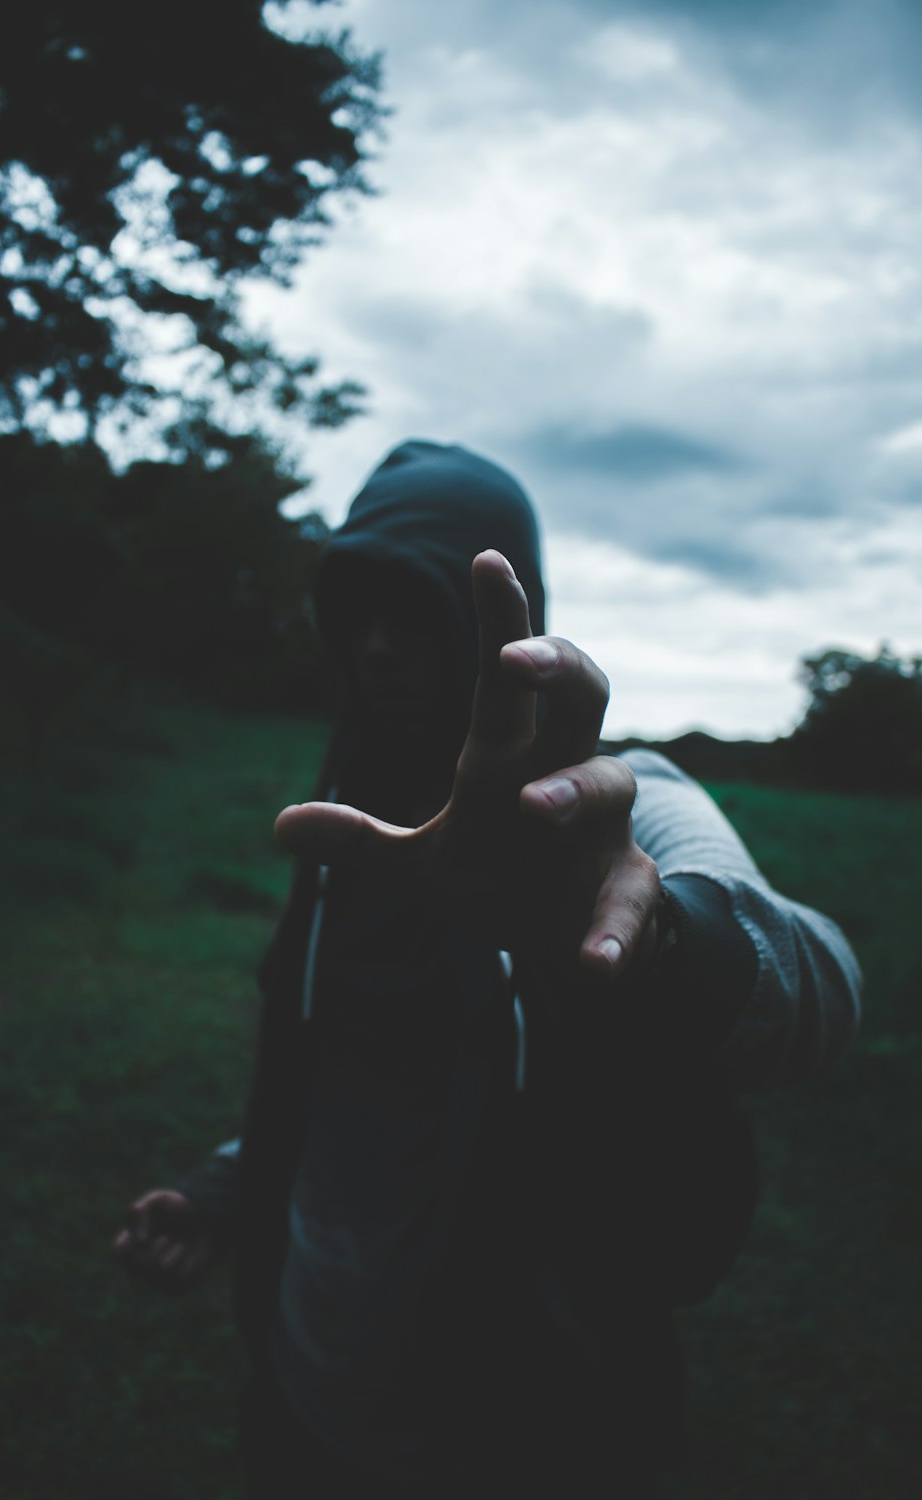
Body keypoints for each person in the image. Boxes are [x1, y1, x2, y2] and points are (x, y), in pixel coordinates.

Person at [113, 440, 861, 1496]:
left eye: (416, 611)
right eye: (357, 611)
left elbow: (822, 985)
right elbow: (351, 1073)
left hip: (531, 1430)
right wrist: (226, 1192)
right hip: (303, 1401)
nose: (377, 648)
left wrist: (653, 939)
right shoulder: (346, 824)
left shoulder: (616, 804)